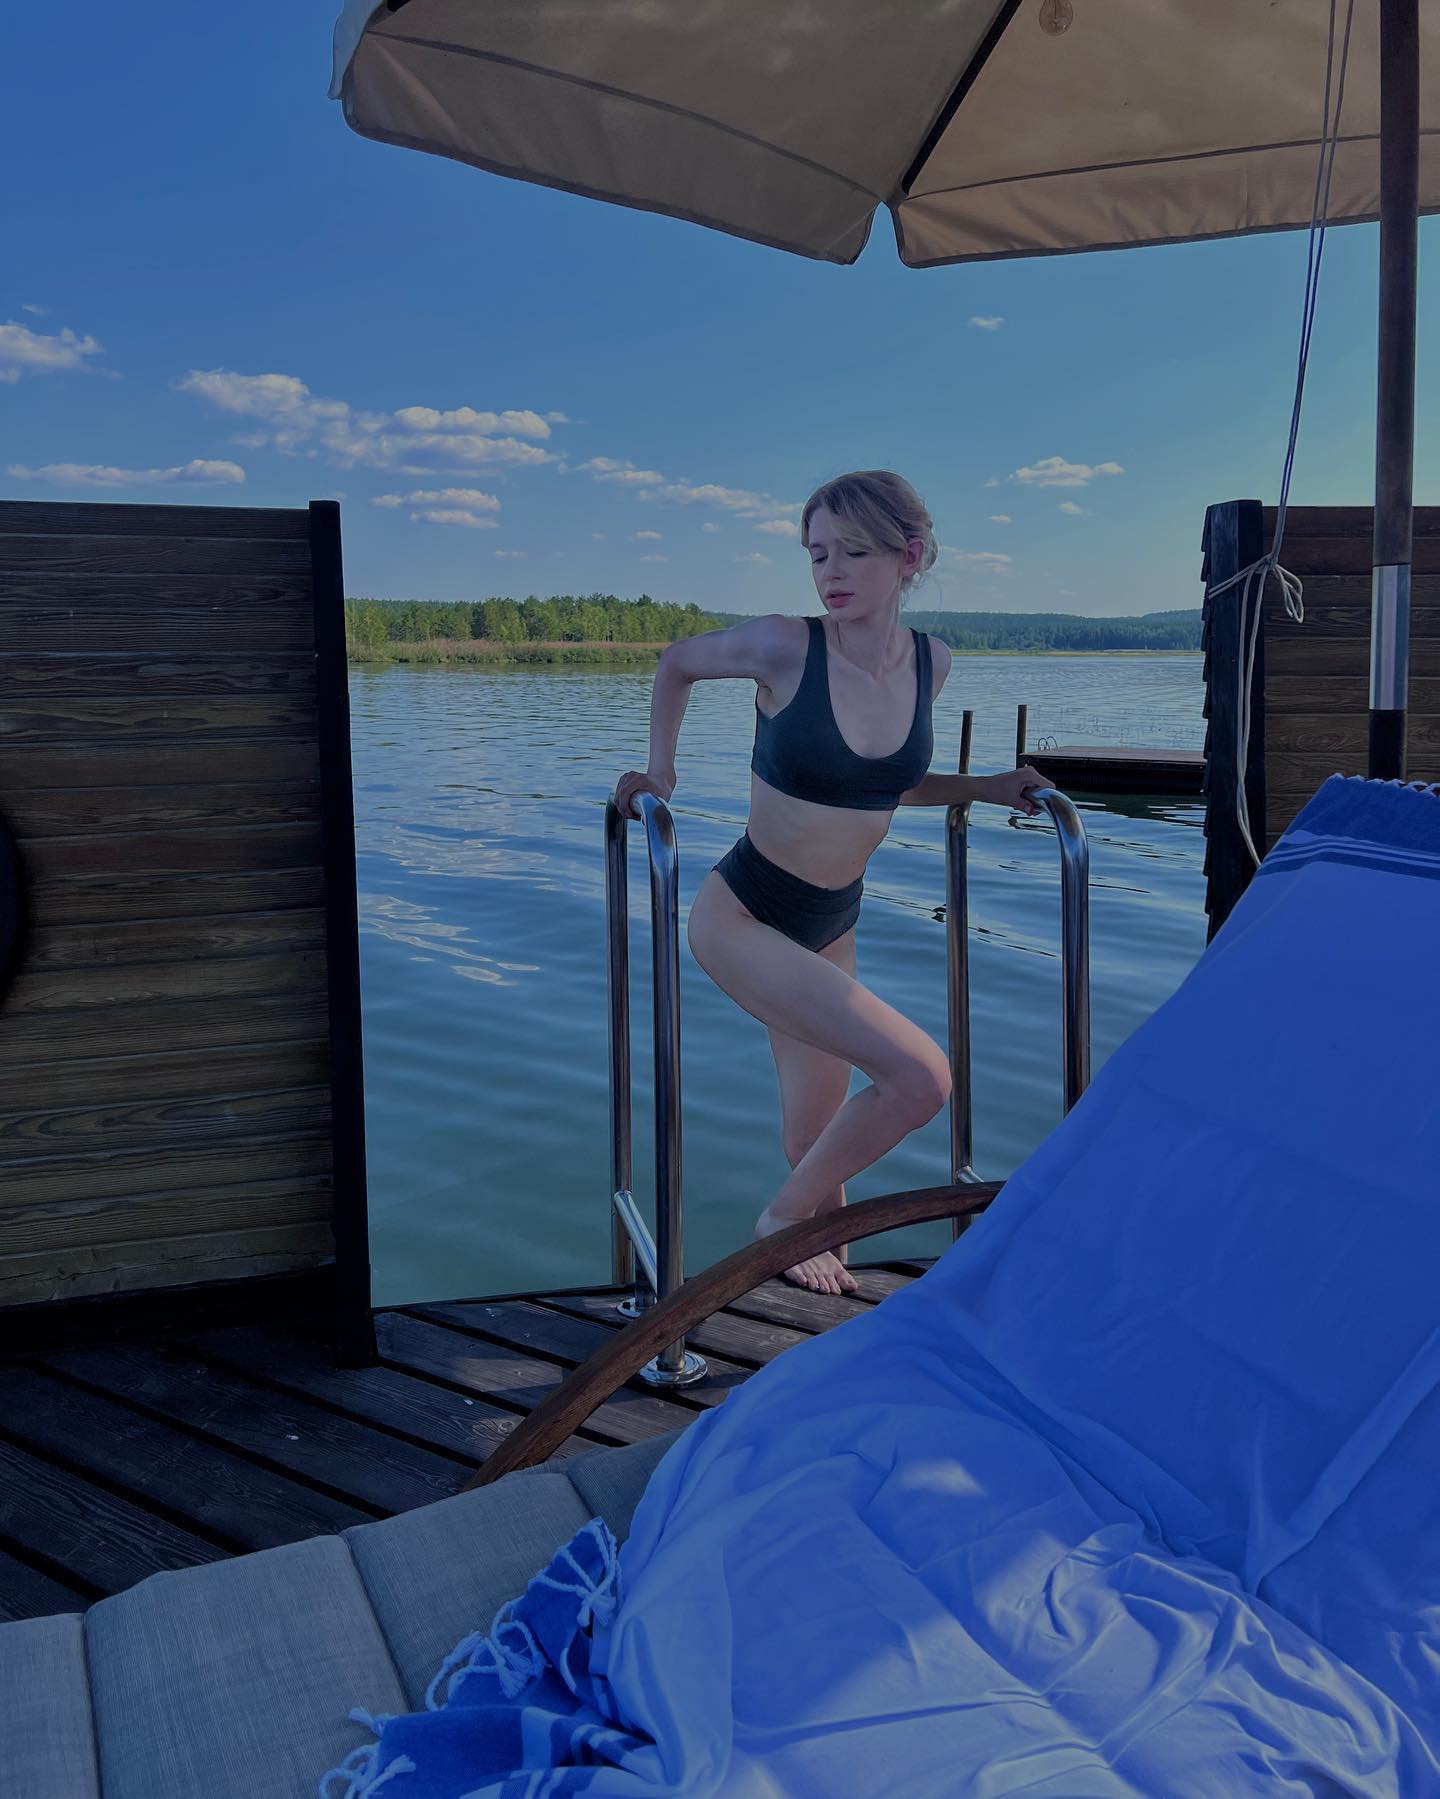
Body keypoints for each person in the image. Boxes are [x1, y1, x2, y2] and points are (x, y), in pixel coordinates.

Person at [614, 470, 1048, 1296]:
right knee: (921, 1078)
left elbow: (881, 783)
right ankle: (777, 1223)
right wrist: (660, 771)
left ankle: (826, 1302)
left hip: (830, 927)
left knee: (815, 1148)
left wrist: (987, 786)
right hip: (744, 916)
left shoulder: (931, 663)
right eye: (817, 554)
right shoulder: (785, 645)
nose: (830, 572)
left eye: (852, 552)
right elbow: (676, 663)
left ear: (908, 556)